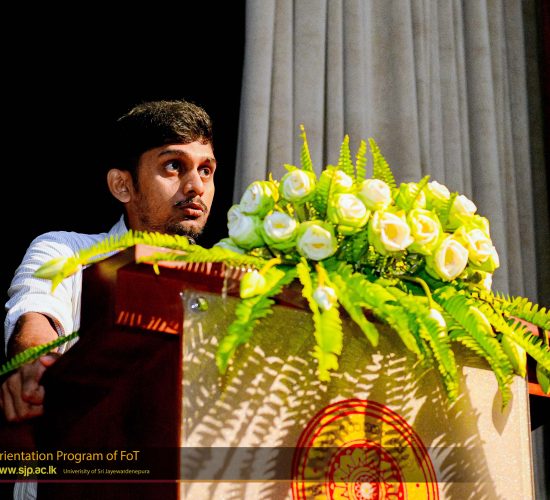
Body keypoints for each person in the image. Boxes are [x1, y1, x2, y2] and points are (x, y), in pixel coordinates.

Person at [0, 99, 216, 423]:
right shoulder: (64, 251)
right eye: (174, 165)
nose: (196, 186)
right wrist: (36, 367)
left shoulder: (232, 277)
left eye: (206, 170)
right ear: (122, 185)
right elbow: (36, 316)